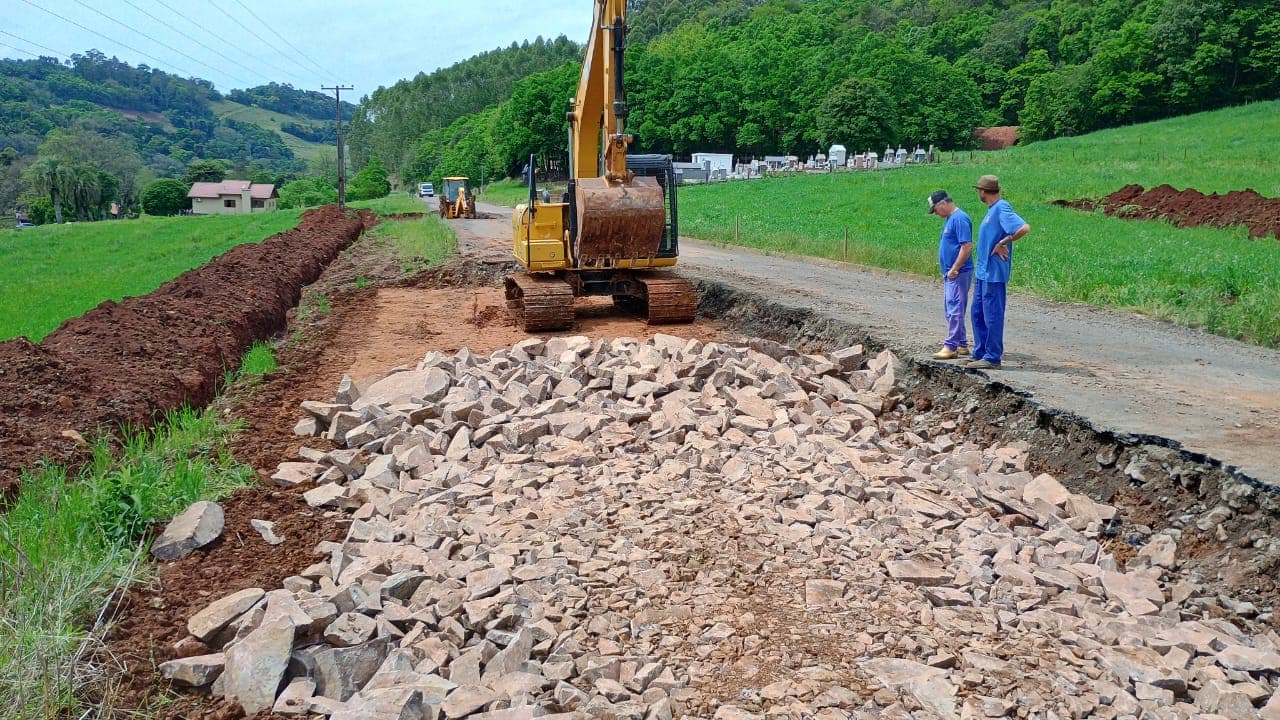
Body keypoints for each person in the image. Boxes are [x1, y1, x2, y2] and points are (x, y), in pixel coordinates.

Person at [965, 175, 1031, 369]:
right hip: (983, 272)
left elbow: (1024, 228)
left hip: (994, 273)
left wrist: (1004, 242)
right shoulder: (991, 211)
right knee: (977, 312)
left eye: (978, 190)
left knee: (992, 313)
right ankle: (980, 353)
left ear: (983, 191)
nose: (978, 193)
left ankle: (993, 357)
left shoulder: (1002, 208)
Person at [927, 190, 972, 360]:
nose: (936, 214)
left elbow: (966, 246)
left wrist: (955, 268)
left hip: (958, 273)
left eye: (936, 210)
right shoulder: (950, 219)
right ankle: (961, 344)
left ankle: (951, 346)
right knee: (952, 308)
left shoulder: (959, 219)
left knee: (955, 309)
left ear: (943, 204)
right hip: (951, 273)